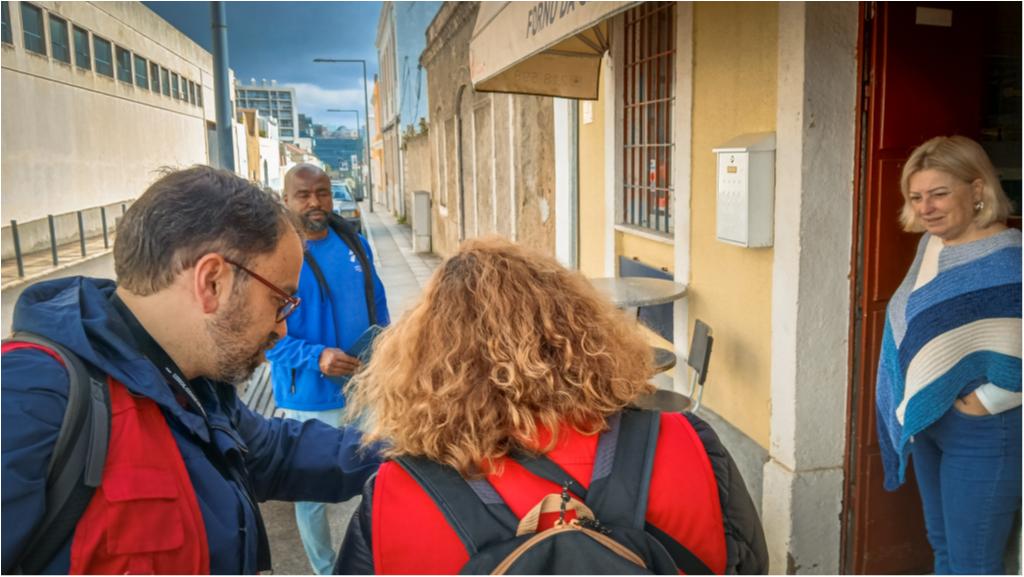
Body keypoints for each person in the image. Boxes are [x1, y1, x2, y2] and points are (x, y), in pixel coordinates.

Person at [1, 166, 381, 575]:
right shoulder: (27, 400)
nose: (282, 329)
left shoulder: (193, 382)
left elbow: (275, 453)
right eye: (280, 301)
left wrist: (403, 451)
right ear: (212, 282)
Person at [334, 236, 768, 574]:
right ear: (585, 331)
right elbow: (749, 565)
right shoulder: (689, 442)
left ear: (424, 361)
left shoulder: (395, 495)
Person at [875, 135, 1021, 574]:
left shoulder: (1010, 261)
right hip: (931, 419)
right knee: (941, 547)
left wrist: (987, 401)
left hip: (985, 430)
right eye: (916, 197)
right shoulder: (932, 245)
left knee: (973, 563)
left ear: (977, 189)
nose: (926, 208)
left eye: (938, 194)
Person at [266, 163, 389, 574]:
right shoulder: (273, 255)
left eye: (322, 192)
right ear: (286, 199)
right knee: (312, 494)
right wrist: (316, 357)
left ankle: (373, 561)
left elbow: (378, 305)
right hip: (309, 397)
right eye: (303, 195)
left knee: (378, 477)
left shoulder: (354, 242)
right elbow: (263, 336)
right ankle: (326, 569)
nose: (315, 202)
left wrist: (387, 349)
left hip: (363, 390)